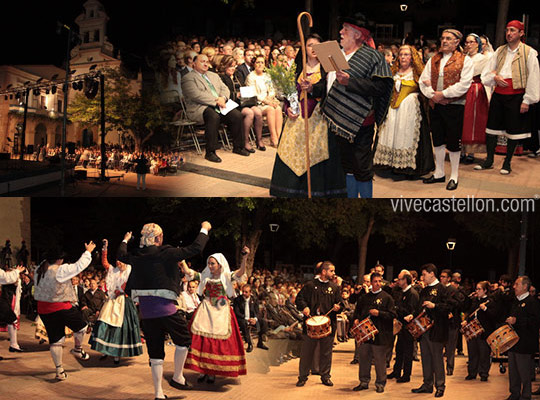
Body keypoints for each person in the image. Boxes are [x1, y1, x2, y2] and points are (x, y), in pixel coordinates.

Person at [117, 222, 211, 399]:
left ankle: (159, 394)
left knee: (155, 354)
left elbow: (120, 254)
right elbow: (196, 247)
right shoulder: (165, 252)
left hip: (147, 313)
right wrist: (205, 228)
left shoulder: (136, 254)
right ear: (158, 237)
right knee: (184, 341)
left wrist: (125, 239)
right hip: (166, 310)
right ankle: (177, 377)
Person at [319, 18, 393, 198]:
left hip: (361, 121)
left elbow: (381, 88)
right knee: (347, 166)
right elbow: (328, 85)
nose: (340, 32)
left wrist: (350, 82)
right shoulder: (334, 54)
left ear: (358, 35)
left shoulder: (373, 56)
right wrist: (311, 87)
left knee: (362, 167)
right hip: (338, 120)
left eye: (345, 29)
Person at [270, 33, 347, 197]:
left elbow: (330, 89)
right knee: (290, 151)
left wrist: (312, 88)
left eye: (317, 45)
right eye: (309, 44)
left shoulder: (328, 69)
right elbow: (289, 92)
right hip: (297, 119)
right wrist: (287, 108)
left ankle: (317, 189)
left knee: (317, 153)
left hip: (319, 118)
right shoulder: (296, 68)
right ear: (304, 48)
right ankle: (290, 188)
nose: (313, 48)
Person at [475, 20, 540, 175]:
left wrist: (527, 100)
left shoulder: (529, 52)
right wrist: (494, 78)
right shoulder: (500, 51)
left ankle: (507, 162)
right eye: (507, 30)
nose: (509, 33)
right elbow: (487, 73)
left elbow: (534, 77)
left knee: (514, 130)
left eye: (512, 30)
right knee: (491, 129)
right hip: (499, 94)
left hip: (517, 95)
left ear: (521, 33)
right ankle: (489, 160)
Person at [181, 247, 250, 382]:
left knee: (218, 341)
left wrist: (245, 258)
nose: (210, 266)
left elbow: (241, 272)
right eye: (209, 263)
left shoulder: (226, 276)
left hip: (221, 310)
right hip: (206, 309)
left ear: (219, 264)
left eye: (213, 263)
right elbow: (189, 272)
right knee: (201, 339)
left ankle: (212, 371)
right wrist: (182, 259)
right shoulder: (205, 276)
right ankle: (202, 369)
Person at [34, 241, 96, 380]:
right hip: (60, 306)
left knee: (56, 340)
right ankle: (77, 349)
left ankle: (59, 371)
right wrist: (88, 251)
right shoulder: (60, 270)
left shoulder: (39, 268)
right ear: (59, 259)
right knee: (82, 327)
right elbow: (78, 266)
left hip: (43, 309)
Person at [420, 29, 473, 191]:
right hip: (436, 105)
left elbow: (464, 84)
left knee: (453, 141)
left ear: (457, 42)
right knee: (437, 138)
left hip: (454, 106)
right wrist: (432, 95)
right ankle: (439, 172)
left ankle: (454, 175)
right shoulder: (433, 59)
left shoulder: (465, 60)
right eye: (443, 38)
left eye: (449, 39)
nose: (444, 41)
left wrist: (443, 94)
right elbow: (423, 80)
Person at [374, 44, 435, 177]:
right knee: (389, 133)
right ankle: (388, 163)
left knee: (407, 134)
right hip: (392, 110)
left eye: (406, 54)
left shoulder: (418, 72)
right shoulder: (392, 71)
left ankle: (406, 167)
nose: (403, 57)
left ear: (412, 57)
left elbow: (425, 90)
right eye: (401, 54)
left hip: (410, 111)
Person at [182, 54, 248, 163]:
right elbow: (195, 95)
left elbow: (225, 89)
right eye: (202, 61)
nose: (205, 64)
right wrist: (216, 101)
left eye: (207, 61)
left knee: (237, 115)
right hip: (200, 108)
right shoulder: (188, 78)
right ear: (194, 63)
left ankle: (238, 147)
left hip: (220, 105)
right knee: (213, 116)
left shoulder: (214, 75)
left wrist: (223, 98)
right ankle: (210, 152)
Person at [89, 239, 143, 364]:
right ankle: (104, 350)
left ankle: (116, 354)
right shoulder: (113, 271)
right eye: (117, 260)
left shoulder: (130, 270)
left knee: (121, 328)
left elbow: (130, 285)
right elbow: (104, 262)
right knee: (104, 323)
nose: (118, 263)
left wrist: (123, 291)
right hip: (112, 301)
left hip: (125, 302)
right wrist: (105, 248)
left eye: (121, 260)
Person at [295, 261, 341, 387]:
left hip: (328, 325)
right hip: (311, 325)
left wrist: (338, 307)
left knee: (326, 353)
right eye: (331, 271)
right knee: (306, 353)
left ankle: (325, 376)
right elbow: (299, 299)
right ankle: (302, 377)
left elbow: (340, 303)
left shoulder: (335, 287)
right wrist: (304, 307)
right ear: (324, 272)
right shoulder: (310, 285)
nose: (334, 273)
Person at [352, 272, 396, 393]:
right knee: (364, 358)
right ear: (371, 283)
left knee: (379, 360)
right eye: (375, 281)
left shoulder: (387, 297)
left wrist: (379, 313)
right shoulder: (364, 298)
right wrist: (355, 319)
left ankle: (380, 382)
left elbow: (392, 315)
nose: (377, 283)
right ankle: (364, 381)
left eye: (379, 281)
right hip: (365, 334)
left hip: (380, 335)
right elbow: (357, 312)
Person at [411, 264, 450, 398]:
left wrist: (435, 306)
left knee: (437, 359)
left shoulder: (442, 289)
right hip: (423, 330)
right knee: (426, 358)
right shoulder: (424, 290)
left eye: (424, 274)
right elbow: (418, 307)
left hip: (437, 330)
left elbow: (448, 307)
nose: (422, 277)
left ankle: (440, 386)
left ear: (432, 273)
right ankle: (427, 384)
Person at [219, 55, 265, 152]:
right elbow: (222, 94)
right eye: (230, 66)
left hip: (242, 102)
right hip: (230, 104)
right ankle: (245, 142)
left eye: (234, 66)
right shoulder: (221, 77)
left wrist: (246, 92)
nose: (233, 68)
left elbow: (244, 87)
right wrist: (236, 94)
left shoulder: (237, 75)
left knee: (257, 111)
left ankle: (259, 140)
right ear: (224, 66)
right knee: (249, 113)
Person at [505, 276, 540, 400]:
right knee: (513, 372)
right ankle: (514, 393)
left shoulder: (532, 302)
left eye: (516, 284)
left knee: (524, 372)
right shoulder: (516, 302)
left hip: (525, 344)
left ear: (525, 286)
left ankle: (525, 395)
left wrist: (517, 320)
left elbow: (535, 322)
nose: (514, 287)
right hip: (513, 342)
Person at [461, 34, 489, 164]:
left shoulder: (482, 59)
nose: (468, 44)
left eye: (471, 42)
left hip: (475, 89)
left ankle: (471, 151)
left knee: (472, 120)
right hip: (462, 89)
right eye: (466, 42)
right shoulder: (462, 58)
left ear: (477, 44)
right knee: (462, 119)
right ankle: (461, 150)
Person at [388, 270, 420, 383]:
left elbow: (411, 311)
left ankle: (406, 375)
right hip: (401, 326)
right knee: (399, 350)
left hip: (408, 327)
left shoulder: (412, 293)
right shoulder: (402, 292)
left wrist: (396, 309)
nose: (398, 281)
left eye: (400, 279)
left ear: (405, 280)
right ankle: (396, 371)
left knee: (407, 351)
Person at [462, 281, 496, 381]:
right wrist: (466, 321)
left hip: (484, 332)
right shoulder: (475, 301)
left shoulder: (490, 301)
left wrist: (485, 309)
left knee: (484, 353)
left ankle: (484, 373)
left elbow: (494, 316)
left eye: (479, 289)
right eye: (476, 289)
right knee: (472, 352)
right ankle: (472, 372)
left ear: (485, 290)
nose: (477, 291)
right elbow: (470, 312)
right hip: (473, 331)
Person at [246, 55, 283, 147]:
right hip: (258, 103)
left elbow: (272, 90)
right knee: (270, 109)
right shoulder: (251, 77)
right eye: (258, 62)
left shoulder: (267, 76)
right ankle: (273, 136)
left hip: (269, 100)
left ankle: (279, 137)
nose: (260, 64)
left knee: (278, 108)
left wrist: (271, 99)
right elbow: (254, 93)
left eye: (262, 62)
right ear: (254, 64)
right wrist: (266, 101)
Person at [439, 269, 465, 376]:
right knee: (439, 346)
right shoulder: (439, 289)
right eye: (441, 276)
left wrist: (449, 302)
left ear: (449, 278)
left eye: (444, 276)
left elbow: (460, 304)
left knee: (450, 347)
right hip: (440, 322)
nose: (441, 278)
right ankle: (438, 367)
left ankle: (450, 367)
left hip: (452, 322)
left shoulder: (454, 290)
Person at [0, 264, 26, 360]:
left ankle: (14, 344)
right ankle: (14, 344)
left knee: (12, 319)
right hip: (5, 300)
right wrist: (17, 271)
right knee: (11, 318)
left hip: (6, 301)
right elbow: (7, 278)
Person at [233, 283, 268, 352]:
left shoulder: (254, 299)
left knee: (263, 322)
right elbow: (237, 312)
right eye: (243, 291)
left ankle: (260, 342)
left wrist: (254, 319)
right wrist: (246, 318)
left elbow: (257, 312)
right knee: (244, 323)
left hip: (252, 318)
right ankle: (249, 344)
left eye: (246, 292)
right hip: (242, 318)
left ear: (250, 292)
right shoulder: (237, 300)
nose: (244, 293)